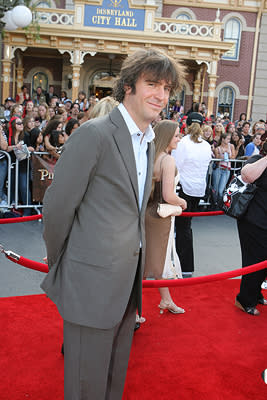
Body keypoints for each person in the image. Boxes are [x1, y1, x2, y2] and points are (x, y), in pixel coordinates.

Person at [40, 47, 185, 400]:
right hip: (89, 285)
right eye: (152, 84)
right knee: (85, 387)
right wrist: (67, 266)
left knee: (111, 383)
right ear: (128, 86)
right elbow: (57, 209)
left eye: (167, 88)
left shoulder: (148, 143)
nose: (161, 95)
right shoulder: (95, 134)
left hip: (126, 288)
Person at [144, 120, 186, 313]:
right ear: (167, 136)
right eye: (177, 135)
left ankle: (166, 300)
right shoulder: (167, 160)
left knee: (150, 260)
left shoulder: (150, 156)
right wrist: (182, 202)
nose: (179, 138)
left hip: (147, 213)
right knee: (153, 263)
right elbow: (169, 195)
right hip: (160, 216)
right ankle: (130, 310)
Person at [173, 122, 211, 277]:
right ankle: (183, 264)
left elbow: (176, 165)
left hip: (184, 188)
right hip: (197, 190)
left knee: (181, 228)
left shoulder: (183, 143)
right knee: (185, 227)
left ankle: (183, 265)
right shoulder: (206, 145)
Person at [235, 142, 267, 315]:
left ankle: (256, 294)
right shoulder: (258, 160)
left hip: (263, 222)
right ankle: (244, 299)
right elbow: (246, 175)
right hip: (253, 221)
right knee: (254, 261)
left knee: (264, 263)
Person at [212, 132, 235, 207]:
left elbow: (233, 157)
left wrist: (228, 154)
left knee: (221, 190)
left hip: (227, 170)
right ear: (223, 139)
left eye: (229, 139)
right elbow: (216, 160)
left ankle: (219, 205)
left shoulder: (231, 146)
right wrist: (221, 154)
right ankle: (214, 203)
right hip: (219, 168)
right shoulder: (217, 148)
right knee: (215, 188)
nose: (229, 140)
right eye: (228, 139)